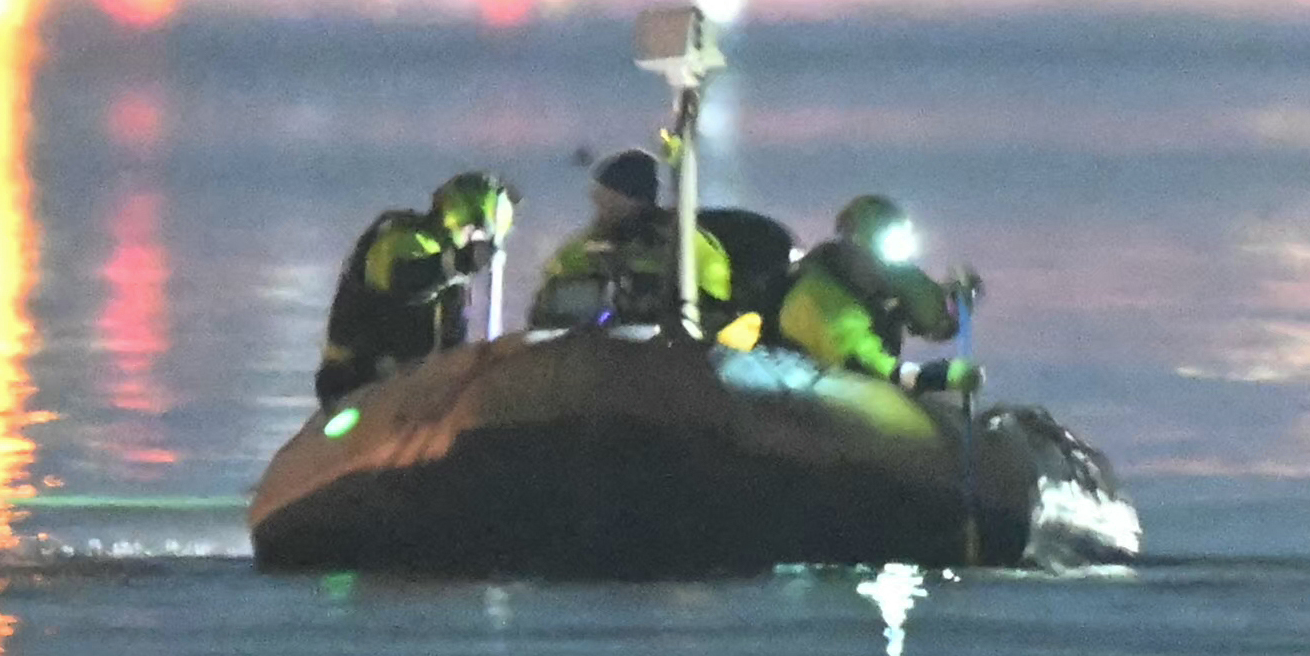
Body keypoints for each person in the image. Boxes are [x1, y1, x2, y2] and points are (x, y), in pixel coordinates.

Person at [313, 171, 514, 405]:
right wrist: (454, 264)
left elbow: (452, 336)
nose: (476, 246)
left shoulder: (453, 276)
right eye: (475, 234)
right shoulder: (400, 239)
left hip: (419, 385)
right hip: (355, 380)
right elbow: (403, 282)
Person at [778, 194, 977, 392]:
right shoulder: (817, 292)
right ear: (855, 241)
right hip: (813, 398)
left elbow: (933, 317)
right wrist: (925, 377)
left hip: (861, 392)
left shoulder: (891, 276)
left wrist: (956, 302)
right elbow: (857, 357)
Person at [528, 149, 734, 333]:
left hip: (665, 355)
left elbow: (714, 309)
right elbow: (547, 306)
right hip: (593, 354)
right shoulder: (581, 248)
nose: (600, 206)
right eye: (598, 198)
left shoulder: (687, 245)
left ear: (635, 199)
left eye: (609, 198)